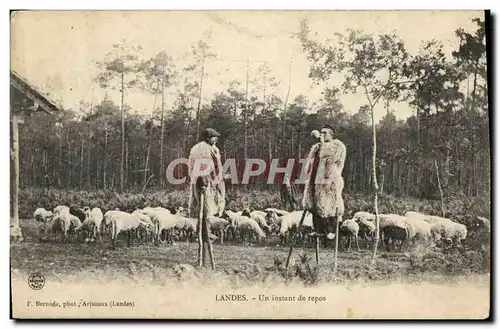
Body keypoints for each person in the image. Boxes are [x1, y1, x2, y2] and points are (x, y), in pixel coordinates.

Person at [302, 124, 346, 240]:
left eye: (325, 133)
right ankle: (318, 229)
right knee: (315, 206)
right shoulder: (317, 147)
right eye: (321, 132)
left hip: (329, 182)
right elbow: (310, 162)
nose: (322, 134)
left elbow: (330, 157)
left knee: (329, 205)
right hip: (316, 179)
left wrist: (323, 144)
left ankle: (330, 231)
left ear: (331, 135)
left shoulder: (338, 146)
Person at [188, 127, 226, 224]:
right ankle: (205, 234)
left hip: (211, 182)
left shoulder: (212, 148)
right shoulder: (202, 149)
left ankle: (204, 232)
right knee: (205, 208)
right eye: (214, 137)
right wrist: (203, 183)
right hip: (204, 183)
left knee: (209, 207)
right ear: (207, 138)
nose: (216, 139)